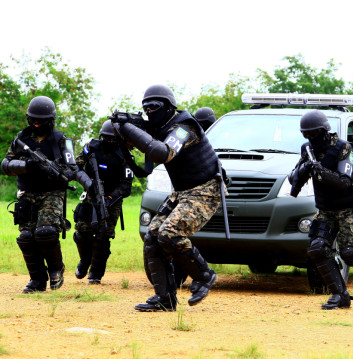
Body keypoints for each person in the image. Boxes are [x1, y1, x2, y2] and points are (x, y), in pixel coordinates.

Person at [111, 84, 222, 312]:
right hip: (182, 192)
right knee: (152, 236)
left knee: (169, 234)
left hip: (205, 190)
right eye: (146, 107)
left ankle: (204, 275)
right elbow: (147, 149)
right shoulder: (159, 127)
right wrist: (125, 131)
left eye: (155, 106)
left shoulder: (185, 127)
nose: (150, 111)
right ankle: (165, 299)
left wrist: (130, 130)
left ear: (169, 106)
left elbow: (162, 152)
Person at [288, 110, 353, 310]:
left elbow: (344, 182)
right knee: (317, 248)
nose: (310, 138)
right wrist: (304, 170)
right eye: (306, 135)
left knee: (351, 253)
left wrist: (321, 172)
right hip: (325, 209)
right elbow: (292, 179)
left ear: (324, 131)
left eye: (313, 133)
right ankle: (340, 295)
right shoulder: (308, 150)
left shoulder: (345, 148)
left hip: (349, 208)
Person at [1, 96, 88, 293]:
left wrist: (61, 174)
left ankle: (56, 269)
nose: (37, 124)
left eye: (42, 120)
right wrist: (26, 165)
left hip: (52, 193)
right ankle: (37, 280)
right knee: (26, 237)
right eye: (34, 120)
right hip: (27, 193)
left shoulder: (61, 141)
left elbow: (71, 168)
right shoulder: (20, 139)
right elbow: (5, 165)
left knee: (46, 232)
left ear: (51, 120)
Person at [72, 120, 134, 284]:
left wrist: (110, 199)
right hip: (91, 193)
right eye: (106, 138)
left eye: (113, 139)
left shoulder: (125, 155)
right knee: (81, 232)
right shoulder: (91, 147)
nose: (109, 141)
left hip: (112, 200)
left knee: (102, 236)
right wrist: (87, 182)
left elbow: (126, 186)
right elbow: (75, 166)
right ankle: (85, 261)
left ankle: (95, 274)